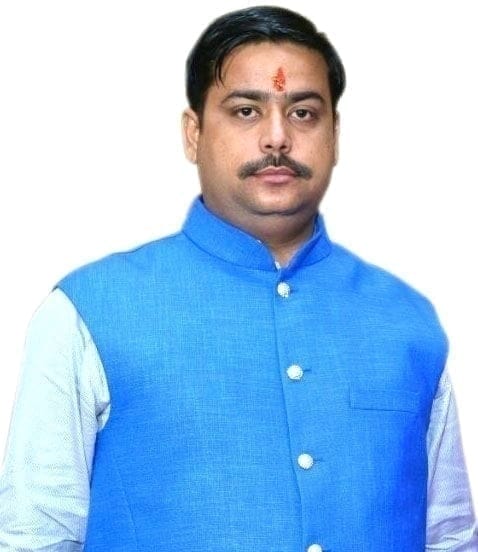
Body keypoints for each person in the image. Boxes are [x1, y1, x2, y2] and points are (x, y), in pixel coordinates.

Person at [0, 5, 476, 551]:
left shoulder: (406, 320)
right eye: (246, 111)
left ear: (335, 135)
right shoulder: (88, 313)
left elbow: (450, 537)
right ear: (193, 133)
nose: (277, 138)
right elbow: (34, 537)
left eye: (303, 113)